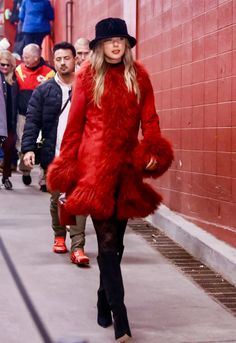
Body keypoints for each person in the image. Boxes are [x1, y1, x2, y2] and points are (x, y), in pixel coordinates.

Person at [47, 18, 174, 342]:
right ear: (100, 46)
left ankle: (103, 298)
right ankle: (122, 321)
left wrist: (153, 151)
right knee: (104, 242)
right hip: (95, 170)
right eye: (110, 40)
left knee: (115, 245)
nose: (116, 45)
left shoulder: (139, 77)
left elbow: (151, 119)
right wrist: (65, 166)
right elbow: (74, 127)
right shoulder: (88, 77)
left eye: (121, 40)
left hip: (126, 170)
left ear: (127, 45)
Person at [21, 41, 89, 265]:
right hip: (55, 153)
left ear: (75, 59)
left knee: (78, 200)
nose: (62, 63)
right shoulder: (44, 90)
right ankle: (59, 235)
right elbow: (32, 121)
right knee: (57, 199)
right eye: (58, 59)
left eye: (66, 58)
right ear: (53, 61)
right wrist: (28, 149)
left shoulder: (87, 87)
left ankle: (78, 246)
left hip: (81, 155)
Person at [15, 43, 55, 186]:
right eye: (23, 56)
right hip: (23, 115)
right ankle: (26, 171)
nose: (23, 59)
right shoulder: (18, 70)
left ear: (37, 57)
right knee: (23, 144)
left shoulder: (49, 72)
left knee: (44, 146)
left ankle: (44, 179)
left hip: (44, 116)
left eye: (27, 57)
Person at [0, 50, 17, 190]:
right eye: (2, 64)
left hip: (11, 122)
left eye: (8, 65)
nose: (5, 67)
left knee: (8, 151)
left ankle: (5, 177)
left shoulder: (15, 80)